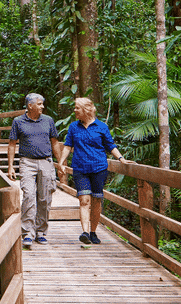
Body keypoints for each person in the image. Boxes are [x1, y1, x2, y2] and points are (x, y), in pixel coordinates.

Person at [59, 97, 132, 245]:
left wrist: (121, 159)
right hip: (80, 169)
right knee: (84, 200)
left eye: (77, 108)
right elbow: (67, 146)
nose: (74, 110)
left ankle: (93, 232)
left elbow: (110, 146)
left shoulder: (101, 127)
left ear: (85, 110)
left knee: (97, 200)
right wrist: (61, 162)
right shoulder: (74, 127)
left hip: (99, 168)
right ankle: (85, 232)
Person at [8, 93, 62, 248]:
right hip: (27, 162)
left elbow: (55, 142)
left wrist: (60, 163)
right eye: (39, 104)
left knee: (45, 198)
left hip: (46, 162)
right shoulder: (18, 121)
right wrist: (11, 166)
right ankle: (27, 234)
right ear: (30, 105)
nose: (42, 106)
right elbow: (12, 144)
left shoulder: (48, 121)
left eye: (42, 104)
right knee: (29, 196)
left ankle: (41, 232)